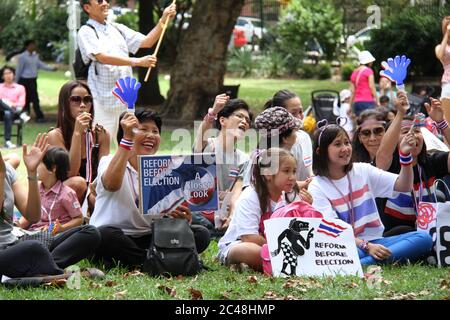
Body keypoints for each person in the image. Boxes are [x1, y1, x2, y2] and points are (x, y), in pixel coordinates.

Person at [89, 109, 210, 270]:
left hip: (150, 236)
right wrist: (127, 140)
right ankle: (156, 260)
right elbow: (112, 185)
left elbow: (165, 214)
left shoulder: (166, 168)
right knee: (103, 236)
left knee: (201, 234)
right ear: (126, 134)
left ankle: (146, 259)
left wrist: (180, 220)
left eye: (155, 131)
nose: (151, 135)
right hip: (115, 236)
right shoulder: (109, 161)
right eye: (143, 129)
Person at [308, 121, 433, 266]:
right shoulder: (317, 186)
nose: (345, 148)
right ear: (320, 151)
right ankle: (363, 263)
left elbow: (404, 185)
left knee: (423, 238)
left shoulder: (362, 170)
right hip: (343, 246)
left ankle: (358, 266)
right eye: (337, 144)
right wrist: (366, 246)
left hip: (376, 241)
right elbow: (332, 230)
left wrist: (405, 157)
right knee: (354, 253)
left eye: (347, 143)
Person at [77, 0, 176, 145]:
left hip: (125, 99)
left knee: (129, 145)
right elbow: (101, 57)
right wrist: (136, 61)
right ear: (87, 7)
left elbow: (147, 41)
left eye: (106, 0)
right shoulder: (86, 31)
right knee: (97, 146)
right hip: (101, 100)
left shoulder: (117, 28)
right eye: (99, 1)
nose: (105, 3)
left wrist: (163, 19)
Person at [0, 134, 100, 274]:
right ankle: (53, 271)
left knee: (91, 232)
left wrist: (32, 172)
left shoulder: (8, 171)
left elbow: (33, 216)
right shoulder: (3, 170)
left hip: (20, 242)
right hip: (11, 250)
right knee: (34, 248)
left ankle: (42, 268)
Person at [217, 148, 314, 271]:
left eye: (294, 171)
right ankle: (252, 262)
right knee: (249, 250)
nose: (292, 177)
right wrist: (277, 247)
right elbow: (248, 237)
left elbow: (302, 228)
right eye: (286, 171)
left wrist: (306, 208)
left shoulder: (291, 196)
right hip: (240, 244)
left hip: (280, 248)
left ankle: (256, 264)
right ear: (268, 173)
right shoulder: (250, 196)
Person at [376, 94, 450, 236]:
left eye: (416, 131)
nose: (413, 135)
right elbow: (383, 153)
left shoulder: (430, 162)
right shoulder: (388, 167)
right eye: (405, 132)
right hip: (395, 236)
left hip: (431, 231)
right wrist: (400, 113)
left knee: (440, 197)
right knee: (409, 234)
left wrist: (442, 123)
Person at [193, 95, 251, 234]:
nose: (244, 121)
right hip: (200, 213)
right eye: (239, 116)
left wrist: (232, 217)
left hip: (222, 215)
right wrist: (213, 112)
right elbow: (201, 137)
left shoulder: (244, 159)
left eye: (247, 120)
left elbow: (237, 193)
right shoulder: (209, 146)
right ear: (223, 120)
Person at [47, 80, 110, 204]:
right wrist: (77, 134)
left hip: (94, 191)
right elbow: (70, 173)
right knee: (78, 183)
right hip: (64, 195)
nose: (82, 105)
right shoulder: (55, 136)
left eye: (87, 99)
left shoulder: (101, 134)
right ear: (65, 103)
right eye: (76, 99)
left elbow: (104, 172)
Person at [17, 147, 83, 234]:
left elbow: (79, 219)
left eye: (40, 163)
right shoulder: (36, 189)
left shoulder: (67, 194)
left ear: (53, 168)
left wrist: (62, 228)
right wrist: (18, 224)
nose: (35, 165)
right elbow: (29, 216)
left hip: (53, 234)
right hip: (33, 232)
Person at [264, 89, 313, 181]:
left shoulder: (304, 137)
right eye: (293, 113)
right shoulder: (273, 145)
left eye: (301, 111)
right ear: (279, 116)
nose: (299, 117)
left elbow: (309, 170)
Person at [15, 40, 57, 123]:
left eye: (34, 45)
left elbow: (41, 65)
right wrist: (16, 82)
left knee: (34, 98)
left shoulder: (35, 56)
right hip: (24, 80)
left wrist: (51, 69)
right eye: (31, 45)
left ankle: (39, 116)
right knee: (26, 98)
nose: (33, 47)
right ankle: (26, 115)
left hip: (32, 80)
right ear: (27, 46)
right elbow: (19, 69)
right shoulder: (22, 57)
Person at [0, 66, 30, 149]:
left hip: (11, 113)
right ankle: (21, 115)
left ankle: (7, 141)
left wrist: (10, 104)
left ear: (14, 75)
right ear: (2, 76)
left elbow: (21, 103)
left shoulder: (20, 88)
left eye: (10, 73)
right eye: (6, 73)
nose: (8, 75)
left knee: (8, 113)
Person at [349, 50, 379, 116]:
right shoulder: (368, 71)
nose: (372, 62)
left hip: (357, 103)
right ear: (368, 61)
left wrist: (350, 106)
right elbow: (372, 87)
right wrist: (377, 101)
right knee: (370, 123)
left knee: (360, 124)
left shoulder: (354, 73)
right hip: (368, 102)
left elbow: (352, 92)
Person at [435, 16, 450, 99]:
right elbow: (440, 55)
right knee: (447, 112)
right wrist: (447, 33)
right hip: (448, 83)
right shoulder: (440, 47)